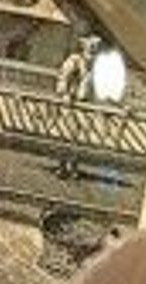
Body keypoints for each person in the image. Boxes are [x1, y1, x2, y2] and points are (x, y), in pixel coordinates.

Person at [54, 34, 101, 177]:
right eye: (91, 46)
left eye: (95, 47)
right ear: (84, 46)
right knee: (67, 134)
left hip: (86, 104)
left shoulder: (96, 65)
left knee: (80, 137)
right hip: (71, 102)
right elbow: (63, 78)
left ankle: (74, 166)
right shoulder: (75, 60)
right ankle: (62, 166)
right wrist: (65, 94)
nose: (93, 49)